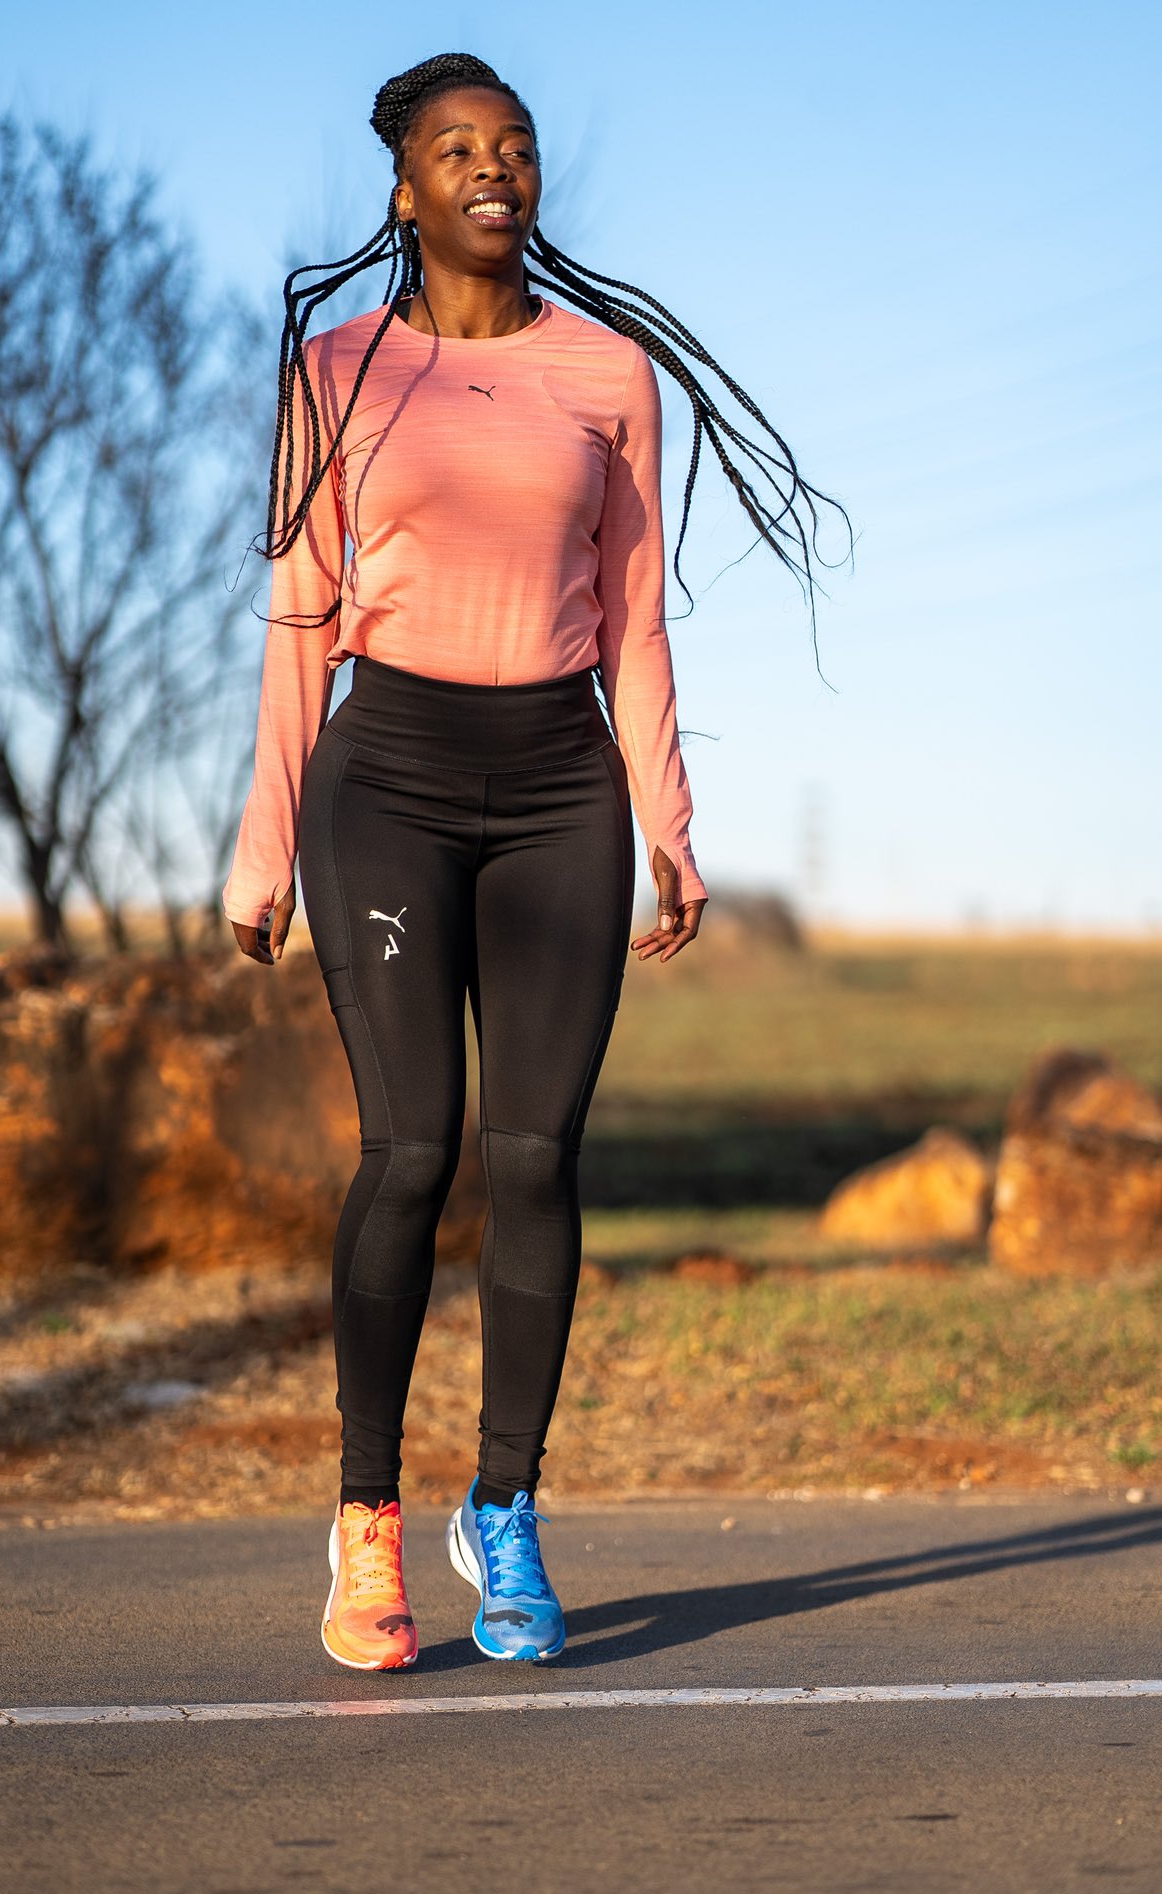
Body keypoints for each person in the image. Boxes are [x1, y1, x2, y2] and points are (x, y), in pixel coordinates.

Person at [223, 53, 848, 1672]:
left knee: (533, 1163)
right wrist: (262, 842)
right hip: (391, 780)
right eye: (456, 150)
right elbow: (300, 620)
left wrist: (668, 817)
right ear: (406, 188)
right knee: (409, 1152)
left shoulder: (607, 376)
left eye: (513, 146)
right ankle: (366, 1524)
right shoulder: (336, 370)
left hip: (564, 784)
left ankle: (502, 1505)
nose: (493, 169)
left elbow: (636, 619)